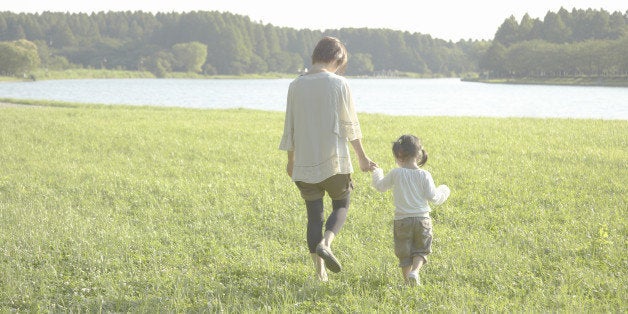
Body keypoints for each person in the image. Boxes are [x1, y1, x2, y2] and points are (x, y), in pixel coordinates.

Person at [279, 36, 377, 281]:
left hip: (303, 164)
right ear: (337, 58)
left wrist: (291, 162)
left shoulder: (295, 85)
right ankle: (327, 242)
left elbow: (289, 128)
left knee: (314, 216)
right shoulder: (339, 84)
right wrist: (363, 158)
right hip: (335, 163)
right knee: (341, 205)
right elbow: (350, 125)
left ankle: (320, 273)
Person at [371, 134, 450, 286]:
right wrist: (444, 190)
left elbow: (380, 186)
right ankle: (416, 271)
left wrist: (377, 171)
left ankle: (407, 281)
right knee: (421, 250)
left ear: (399, 155)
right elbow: (433, 197)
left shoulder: (396, 173)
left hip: (402, 221)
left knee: (404, 254)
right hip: (422, 220)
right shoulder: (424, 175)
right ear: (419, 154)